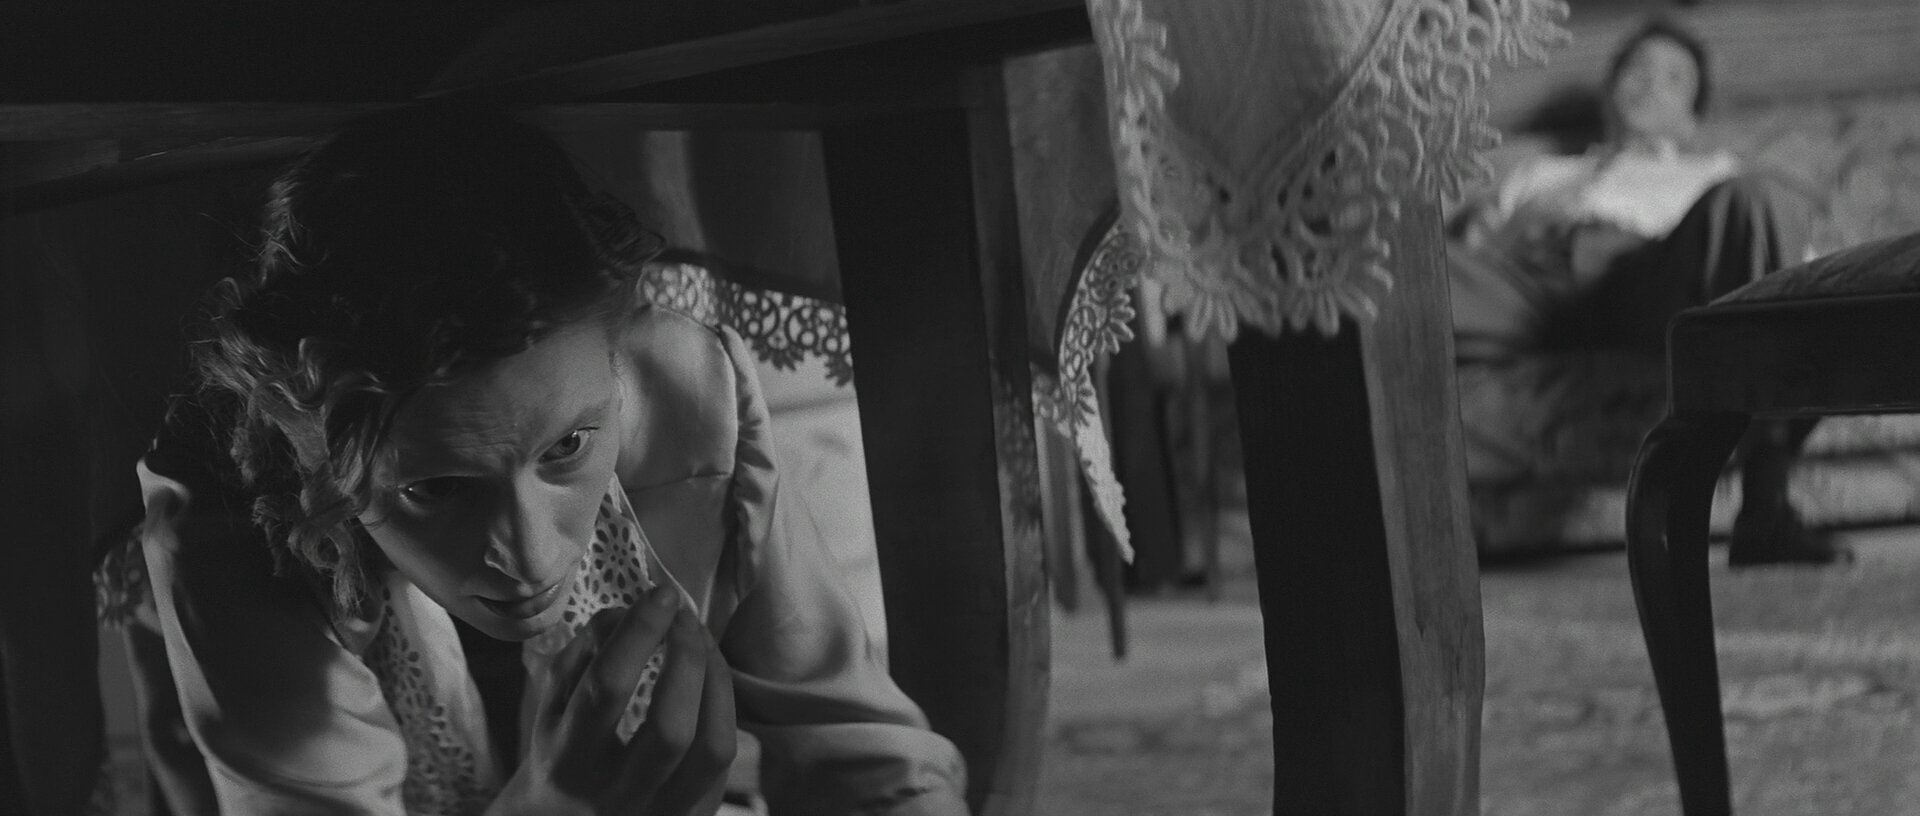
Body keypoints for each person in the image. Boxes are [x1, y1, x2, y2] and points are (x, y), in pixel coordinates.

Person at [127, 103, 971, 814]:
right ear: (315, 456)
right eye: (435, 488)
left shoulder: (681, 388)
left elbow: (868, 762)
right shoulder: (225, 519)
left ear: (617, 357)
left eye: (568, 447)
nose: (528, 558)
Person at [1449, 17, 1841, 564]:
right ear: (1610, 91)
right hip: (1530, 285)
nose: (1652, 83)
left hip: (1646, 278)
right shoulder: (1539, 172)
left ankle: (1766, 507)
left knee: (1760, 199)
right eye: (1638, 70)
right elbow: (1473, 248)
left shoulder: (1716, 171)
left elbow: (1781, 257)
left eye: (1674, 78)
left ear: (1691, 118)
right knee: (1406, 272)